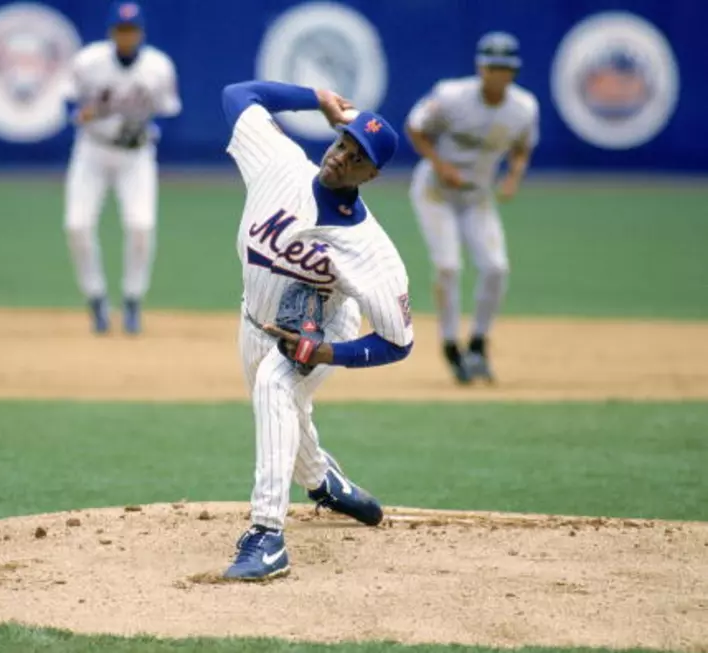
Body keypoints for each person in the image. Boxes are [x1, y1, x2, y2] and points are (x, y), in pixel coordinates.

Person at [219, 79, 414, 581]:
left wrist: (327, 352)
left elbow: (398, 341)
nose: (342, 156)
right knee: (282, 409)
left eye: (357, 156)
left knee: (274, 385)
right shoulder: (279, 163)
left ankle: (267, 536)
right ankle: (322, 480)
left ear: (371, 174)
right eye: (343, 142)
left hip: (320, 331)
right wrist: (317, 98)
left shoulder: (370, 251)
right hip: (253, 320)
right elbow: (239, 95)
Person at [405, 32, 539, 383]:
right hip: (436, 193)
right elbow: (416, 127)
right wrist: (439, 164)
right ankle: (451, 345)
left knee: (496, 267)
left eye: (504, 68)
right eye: (492, 66)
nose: (497, 73)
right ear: (480, 66)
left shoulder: (523, 108)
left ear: (514, 72)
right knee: (448, 267)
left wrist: (514, 175)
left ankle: (478, 343)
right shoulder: (451, 96)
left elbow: (522, 146)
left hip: (477, 197)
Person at [61, 2, 181, 334]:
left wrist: (150, 132)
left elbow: (169, 113)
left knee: (141, 226)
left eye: (132, 30)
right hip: (92, 153)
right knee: (77, 226)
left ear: (140, 32)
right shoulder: (88, 62)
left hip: (136, 157)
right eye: (121, 30)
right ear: (111, 32)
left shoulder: (158, 67)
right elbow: (68, 102)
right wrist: (78, 114)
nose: (126, 36)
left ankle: (132, 300)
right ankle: (96, 299)